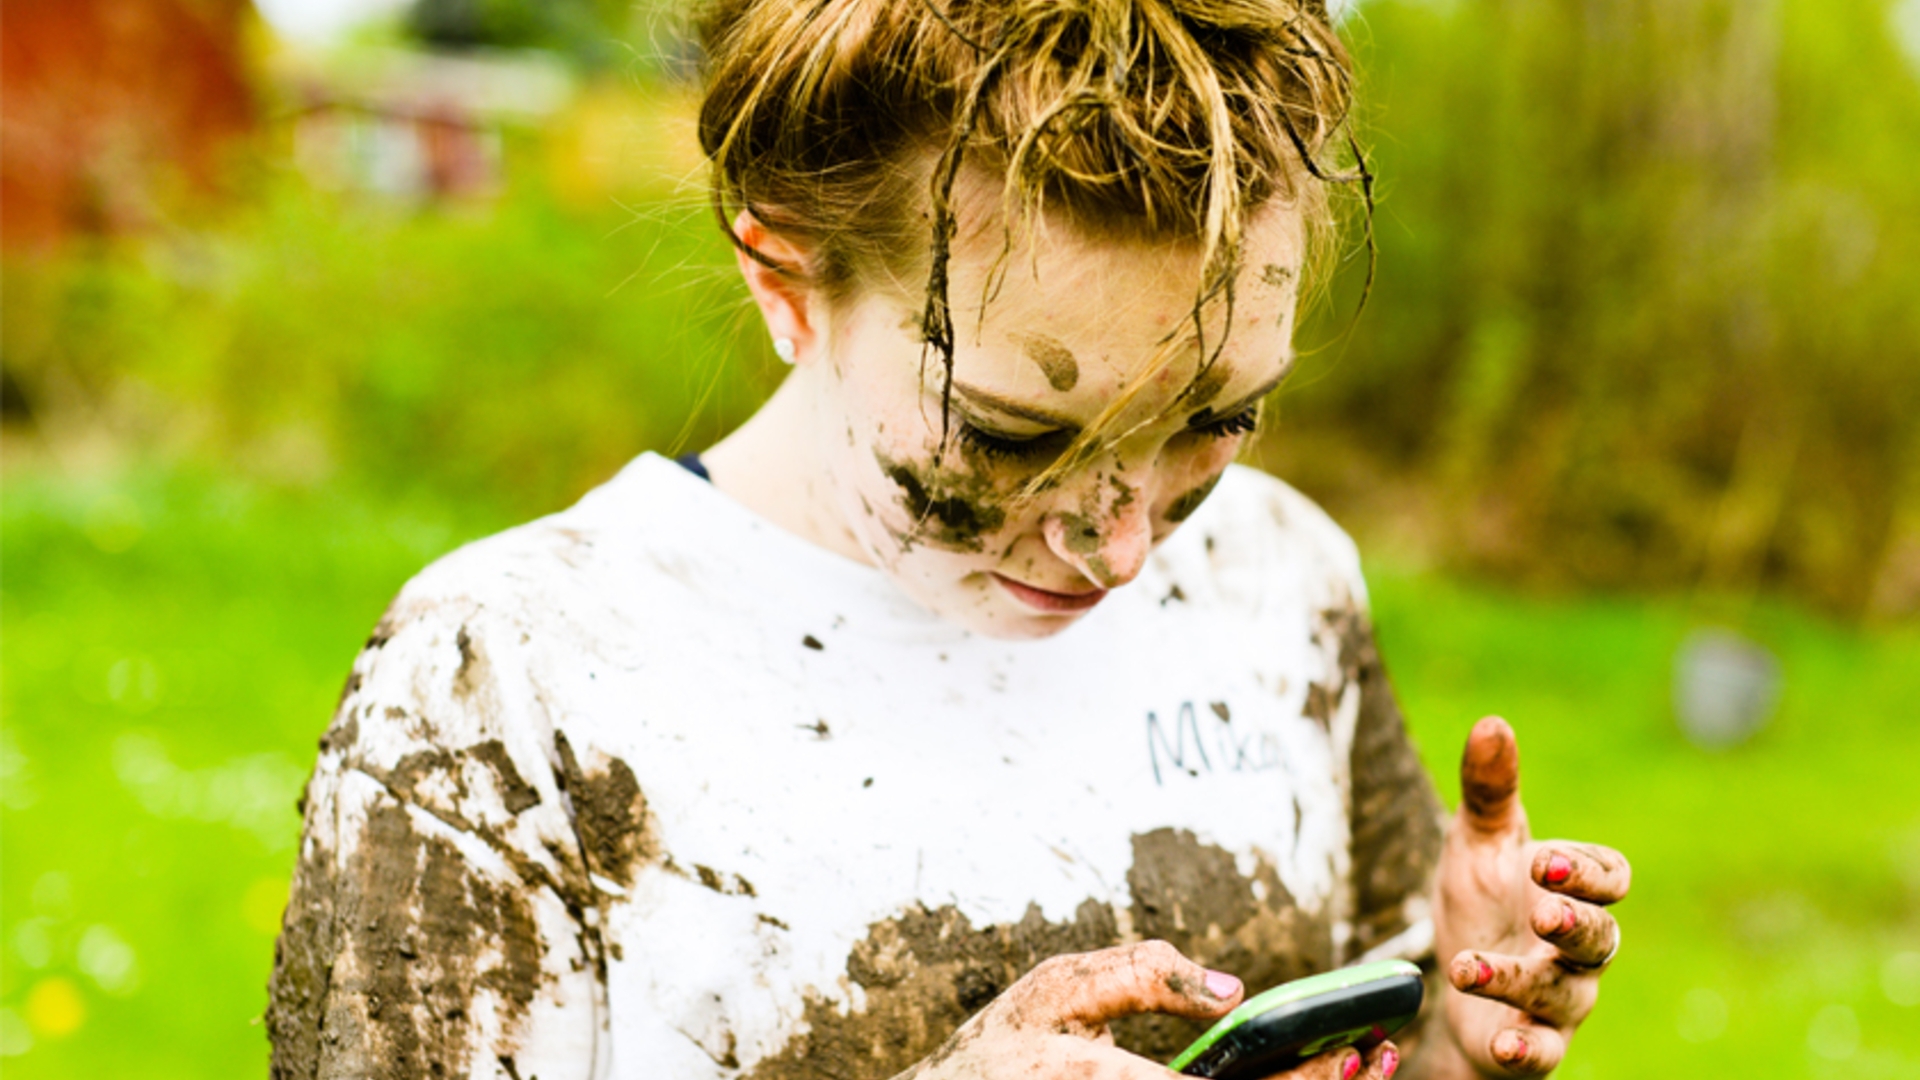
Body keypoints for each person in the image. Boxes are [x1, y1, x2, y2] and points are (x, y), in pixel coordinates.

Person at [266, 0, 1630, 1077]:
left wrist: (1456, 1037)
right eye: (1016, 434)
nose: (1123, 550)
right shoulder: (512, 687)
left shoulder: (1284, 583)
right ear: (784, 279)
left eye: (1214, 417)